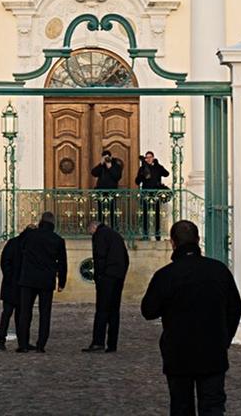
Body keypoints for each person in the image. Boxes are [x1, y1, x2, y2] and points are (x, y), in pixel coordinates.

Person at [141, 219, 241, 416]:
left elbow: (148, 310)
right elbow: (235, 309)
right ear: (197, 240)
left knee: (181, 406)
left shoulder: (166, 275)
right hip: (213, 349)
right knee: (213, 406)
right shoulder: (219, 270)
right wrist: (224, 339)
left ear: (173, 243)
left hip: (178, 351)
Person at [15, 211, 68, 353]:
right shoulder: (58, 240)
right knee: (45, 313)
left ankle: (23, 344)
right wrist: (61, 282)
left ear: (40, 221)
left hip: (28, 279)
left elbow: (19, 247)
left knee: (25, 312)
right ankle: (41, 345)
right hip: (46, 280)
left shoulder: (30, 235)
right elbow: (62, 263)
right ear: (53, 223)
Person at [86, 219, 130, 352]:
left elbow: (100, 257)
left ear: (93, 227)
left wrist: (99, 276)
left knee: (102, 310)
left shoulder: (99, 235)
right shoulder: (115, 235)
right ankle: (112, 344)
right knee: (114, 311)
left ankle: (98, 342)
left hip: (106, 277)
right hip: (118, 276)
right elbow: (125, 258)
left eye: (90, 232)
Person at [0, 225, 32, 350]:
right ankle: (22, 342)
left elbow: (4, 261)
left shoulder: (13, 242)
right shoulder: (28, 245)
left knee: (7, 314)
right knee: (19, 315)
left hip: (10, 284)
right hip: (21, 285)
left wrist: (9, 276)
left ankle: (2, 340)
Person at [137, 151, 170, 240]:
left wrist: (158, 165)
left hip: (156, 194)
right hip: (146, 193)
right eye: (147, 157)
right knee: (145, 215)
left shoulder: (157, 167)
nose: (148, 159)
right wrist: (141, 174)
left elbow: (166, 174)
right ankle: (145, 235)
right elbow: (137, 181)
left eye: (150, 157)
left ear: (153, 157)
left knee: (157, 215)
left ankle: (157, 235)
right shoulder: (142, 168)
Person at [92, 150, 125, 229]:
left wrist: (110, 167)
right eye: (104, 157)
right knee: (101, 211)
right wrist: (101, 164)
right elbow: (93, 173)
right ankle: (101, 228)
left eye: (107, 157)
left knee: (112, 210)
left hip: (111, 192)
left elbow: (117, 177)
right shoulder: (101, 166)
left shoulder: (116, 165)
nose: (106, 159)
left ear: (110, 157)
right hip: (101, 192)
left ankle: (114, 228)